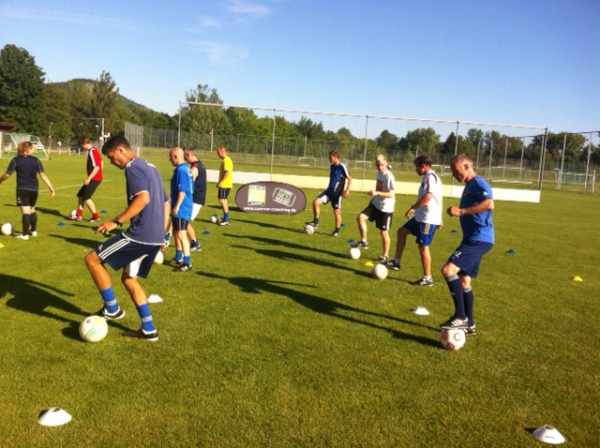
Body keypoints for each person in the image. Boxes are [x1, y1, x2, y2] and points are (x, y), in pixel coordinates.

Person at [83, 136, 169, 341]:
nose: (113, 163)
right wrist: (163, 234)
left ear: (121, 150)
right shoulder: (151, 167)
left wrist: (116, 221)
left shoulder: (132, 167)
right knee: (129, 279)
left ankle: (111, 309)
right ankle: (148, 329)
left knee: (92, 259)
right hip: (155, 236)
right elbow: (166, 202)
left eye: (112, 158)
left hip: (140, 235)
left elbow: (143, 198)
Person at [440, 154, 494, 336]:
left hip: (478, 239)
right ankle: (469, 324)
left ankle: (460, 316)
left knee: (448, 270)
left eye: (455, 170)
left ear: (466, 166)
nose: (454, 174)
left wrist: (461, 211)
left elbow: (489, 203)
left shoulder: (478, 183)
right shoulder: (469, 186)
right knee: (464, 280)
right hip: (473, 238)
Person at [386, 155, 443, 286]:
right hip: (420, 217)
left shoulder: (430, 177)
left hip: (427, 219)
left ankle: (427, 278)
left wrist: (413, 207)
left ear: (422, 165)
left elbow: (429, 196)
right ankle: (396, 262)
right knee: (401, 232)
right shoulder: (427, 177)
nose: (415, 169)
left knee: (423, 247)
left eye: (416, 166)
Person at [0, 141, 55, 240]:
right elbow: (42, 175)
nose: (34, 149)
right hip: (34, 188)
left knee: (25, 211)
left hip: (22, 188)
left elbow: (7, 174)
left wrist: (0, 180)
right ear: (28, 148)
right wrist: (50, 187)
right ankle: (33, 231)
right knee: (32, 209)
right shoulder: (36, 160)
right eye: (32, 148)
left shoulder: (15, 160)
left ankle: (24, 235)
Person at [353, 155, 395, 261]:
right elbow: (379, 188)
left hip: (386, 208)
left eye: (381, 165)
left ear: (386, 163)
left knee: (383, 232)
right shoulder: (378, 174)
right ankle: (364, 241)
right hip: (376, 204)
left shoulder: (389, 176)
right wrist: (373, 198)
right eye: (377, 165)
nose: (379, 167)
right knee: (360, 217)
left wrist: (376, 193)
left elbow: (391, 194)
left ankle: (385, 255)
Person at [305, 150, 352, 236]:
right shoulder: (332, 166)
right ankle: (315, 222)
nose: (328, 159)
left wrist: (347, 190)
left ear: (335, 157)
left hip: (337, 194)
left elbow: (349, 178)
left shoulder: (342, 167)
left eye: (330, 157)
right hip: (328, 191)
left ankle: (337, 231)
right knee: (315, 202)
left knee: (336, 212)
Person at [168, 147, 194, 271]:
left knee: (181, 234)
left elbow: (182, 190)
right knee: (176, 233)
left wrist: (176, 206)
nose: (169, 159)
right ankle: (178, 257)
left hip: (182, 207)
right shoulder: (183, 169)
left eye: (170, 157)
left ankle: (187, 262)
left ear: (176, 157)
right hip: (181, 206)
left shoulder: (182, 170)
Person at [70, 137, 103, 222]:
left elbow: (97, 166)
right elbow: (101, 162)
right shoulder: (94, 150)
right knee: (80, 195)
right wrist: (99, 173)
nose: (82, 148)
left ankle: (96, 217)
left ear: (83, 144)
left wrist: (89, 178)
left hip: (94, 178)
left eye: (81, 146)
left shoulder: (92, 151)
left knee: (86, 197)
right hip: (95, 177)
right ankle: (79, 215)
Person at [184, 146, 207, 251]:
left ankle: (195, 243)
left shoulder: (194, 168)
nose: (185, 160)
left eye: (185, 157)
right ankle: (193, 243)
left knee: (184, 221)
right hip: (198, 197)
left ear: (188, 155)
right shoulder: (200, 164)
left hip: (195, 199)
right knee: (182, 221)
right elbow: (206, 179)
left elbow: (188, 184)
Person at [216, 145, 233, 226]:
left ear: (222, 151)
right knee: (224, 200)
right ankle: (226, 218)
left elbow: (226, 172)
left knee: (221, 200)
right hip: (227, 184)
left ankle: (226, 218)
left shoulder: (226, 160)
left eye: (218, 153)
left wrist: (220, 182)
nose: (218, 155)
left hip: (225, 184)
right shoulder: (226, 160)